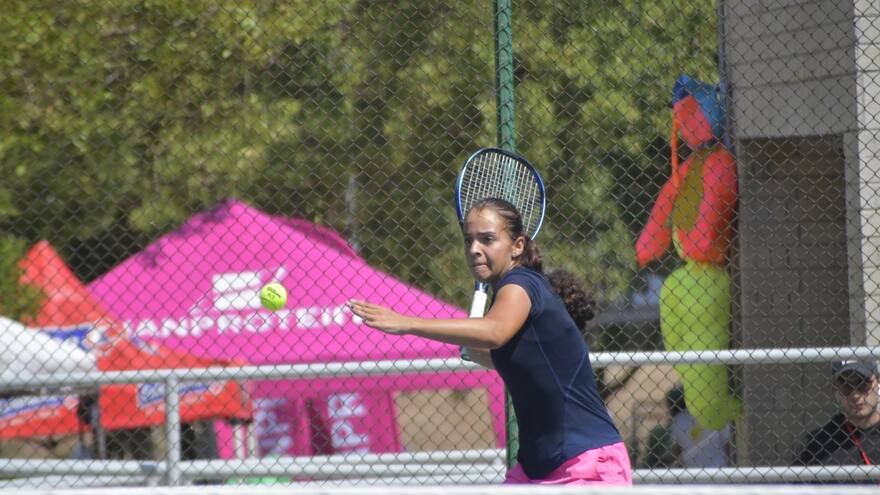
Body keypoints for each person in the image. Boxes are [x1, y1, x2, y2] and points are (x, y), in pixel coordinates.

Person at [348, 198, 631, 485]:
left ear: (517, 245)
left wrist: (409, 323)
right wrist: (475, 347)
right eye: (468, 240)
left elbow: (494, 332)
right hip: (535, 468)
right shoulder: (515, 294)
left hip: (586, 464)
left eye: (487, 239)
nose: (474, 249)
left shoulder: (521, 284)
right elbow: (505, 355)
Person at [794, 360, 880, 467]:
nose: (855, 395)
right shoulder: (817, 445)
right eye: (846, 387)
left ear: (878, 381)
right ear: (835, 390)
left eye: (862, 384)